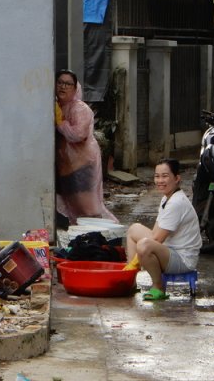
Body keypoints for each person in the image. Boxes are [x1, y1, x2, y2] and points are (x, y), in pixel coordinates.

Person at [125, 158, 202, 300]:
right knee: (133, 230)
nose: (160, 180)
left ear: (177, 178)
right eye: (157, 176)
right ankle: (130, 279)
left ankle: (158, 286)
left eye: (165, 176)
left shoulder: (176, 203)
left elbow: (157, 239)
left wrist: (137, 259)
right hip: (169, 250)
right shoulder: (167, 198)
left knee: (144, 245)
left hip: (183, 258)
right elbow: (155, 231)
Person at [55, 69, 118, 226]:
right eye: (60, 82)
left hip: (83, 165)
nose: (63, 87)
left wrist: (61, 123)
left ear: (75, 88)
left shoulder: (80, 108)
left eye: (68, 84)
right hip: (67, 165)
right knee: (71, 205)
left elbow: (78, 134)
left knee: (88, 206)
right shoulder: (58, 106)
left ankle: (105, 231)